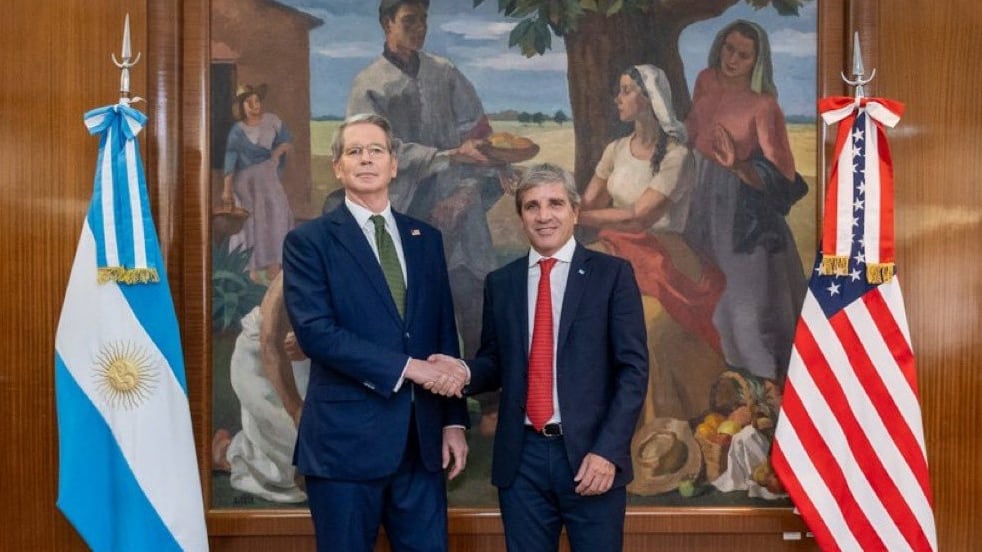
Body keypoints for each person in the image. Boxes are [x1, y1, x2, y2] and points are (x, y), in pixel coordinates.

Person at [282, 113, 470, 552]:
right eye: (354, 151)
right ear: (338, 167)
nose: (366, 159)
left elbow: (443, 331)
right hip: (344, 446)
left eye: (376, 150)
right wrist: (411, 369)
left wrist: (453, 421)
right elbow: (316, 334)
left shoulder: (426, 238)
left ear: (394, 164)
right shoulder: (309, 242)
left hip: (422, 445)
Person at [439, 164, 648, 551]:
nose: (543, 215)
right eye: (532, 206)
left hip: (590, 455)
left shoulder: (612, 275)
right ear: (521, 216)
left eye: (555, 203)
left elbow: (633, 372)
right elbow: (495, 362)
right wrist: (462, 371)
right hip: (522, 460)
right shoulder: (501, 283)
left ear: (575, 211)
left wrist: (607, 451)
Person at [347, 0, 502, 370]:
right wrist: (449, 156)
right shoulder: (369, 85)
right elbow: (375, 151)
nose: (420, 28)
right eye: (409, 20)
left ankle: (483, 389)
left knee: (474, 292)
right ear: (387, 23)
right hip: (406, 207)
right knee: (415, 304)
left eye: (424, 20)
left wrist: (465, 192)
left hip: (461, 201)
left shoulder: (444, 73)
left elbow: (479, 135)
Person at [579, 64, 727, 423]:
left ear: (650, 99)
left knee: (647, 329)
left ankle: (653, 426)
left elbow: (639, 217)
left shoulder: (677, 156)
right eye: (620, 89)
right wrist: (554, 202)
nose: (618, 98)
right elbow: (588, 203)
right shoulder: (615, 149)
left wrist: (574, 216)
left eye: (626, 90)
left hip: (664, 255)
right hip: (617, 247)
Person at [684, 20, 809, 381]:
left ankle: (765, 397)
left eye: (744, 54)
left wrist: (736, 166)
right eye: (729, 48)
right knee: (711, 298)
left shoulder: (763, 105)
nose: (733, 59)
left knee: (746, 311)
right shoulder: (705, 80)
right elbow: (692, 129)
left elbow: (783, 176)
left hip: (744, 215)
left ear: (757, 61)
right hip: (701, 200)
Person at [211, 272, 309, 503]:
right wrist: (297, 411)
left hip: (310, 364)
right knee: (291, 466)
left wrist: (310, 343)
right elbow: (270, 348)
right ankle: (227, 452)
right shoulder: (290, 277)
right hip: (261, 366)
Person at [221, 83, 294, 284]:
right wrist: (227, 190)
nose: (255, 106)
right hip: (246, 184)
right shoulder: (237, 130)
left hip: (268, 179)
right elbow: (230, 159)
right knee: (251, 223)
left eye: (257, 101)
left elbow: (286, 140)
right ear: (241, 106)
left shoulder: (272, 121)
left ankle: (274, 271)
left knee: (277, 217)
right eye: (249, 102)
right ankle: (251, 275)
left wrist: (277, 153)